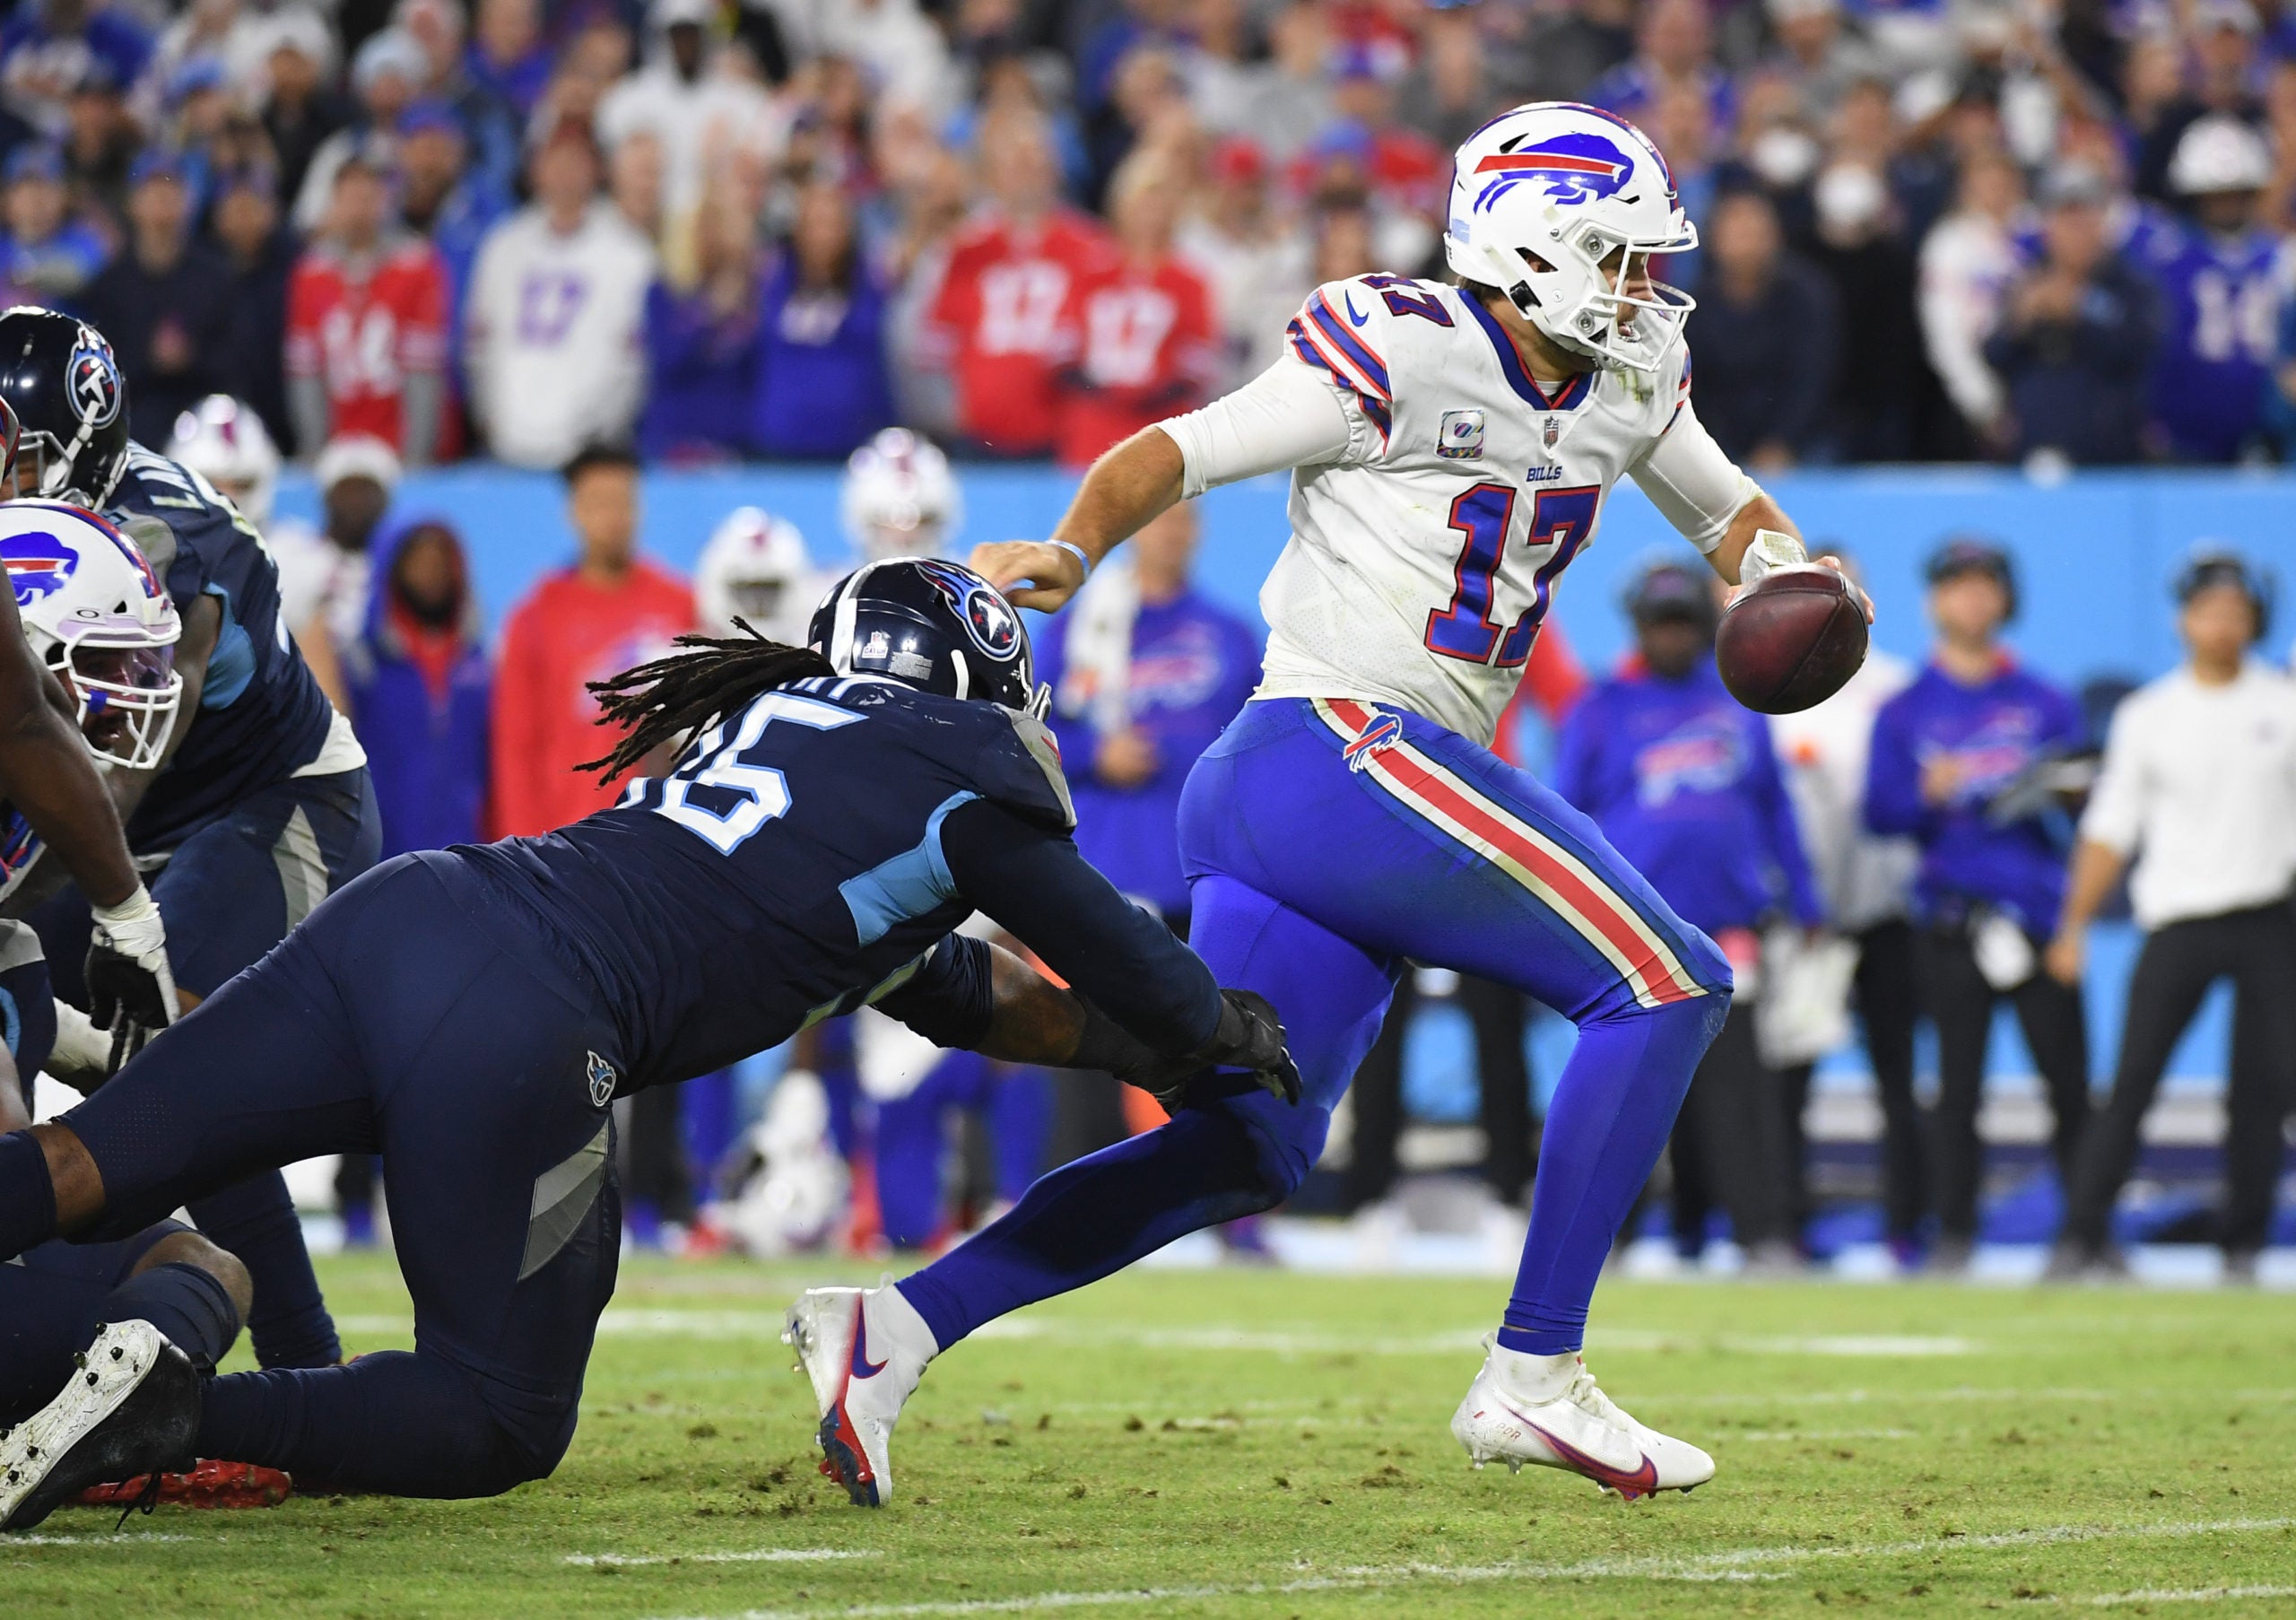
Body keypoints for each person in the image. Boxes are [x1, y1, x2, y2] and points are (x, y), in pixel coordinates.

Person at [821, 100, 1866, 1508]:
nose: (1641, 288)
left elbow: (1732, 515)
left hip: (1311, 795)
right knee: (1666, 978)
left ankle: (888, 1332)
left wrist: (1798, 572)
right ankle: (1535, 1372)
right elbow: (1172, 452)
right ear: (1534, 246)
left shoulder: (1632, 374)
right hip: (1337, 749)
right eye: (1616, 257)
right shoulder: (1402, 343)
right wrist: (1074, 550)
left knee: (1245, 1138)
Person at [0, 558, 1297, 1527]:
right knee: (495, 1414)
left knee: (71, 1161)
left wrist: (1140, 1056)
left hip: (409, 913)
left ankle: (88, 1394)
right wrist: (1210, 1030)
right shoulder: (954, 775)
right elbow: (1124, 957)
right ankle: (172, 1414)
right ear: (975, 686)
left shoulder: (772, 740)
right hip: (525, 1020)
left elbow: (960, 987)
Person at [2, 306, 373, 1378]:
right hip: (116, 827)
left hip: (263, 804)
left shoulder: (161, 539)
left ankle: (307, 1368)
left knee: (179, 1048)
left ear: (74, 438)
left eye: (8, 447)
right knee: (61, 1022)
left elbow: (114, 778)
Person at [0, 499, 283, 1512]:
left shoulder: (17, 933)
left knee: (171, 1230)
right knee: (197, 1264)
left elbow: (69, 1038)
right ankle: (96, 1415)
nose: (125, 723)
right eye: (110, 686)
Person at [1556, 559, 1821, 1269]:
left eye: (1684, 623)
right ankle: (1600, 1242)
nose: (1673, 635)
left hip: (1727, 927)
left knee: (1740, 1094)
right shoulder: (1600, 706)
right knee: (1624, 1091)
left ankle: (1761, 1233)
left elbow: (1774, 806)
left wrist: (1805, 896)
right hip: (1631, 933)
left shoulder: (1738, 701)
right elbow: (1563, 816)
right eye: (1660, 622)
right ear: (1639, 626)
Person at [2048, 553, 2296, 1282]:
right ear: (2185, 620)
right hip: (2177, 920)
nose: (2221, 624)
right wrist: (2073, 925)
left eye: (2235, 612)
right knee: (2131, 1085)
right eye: (2209, 610)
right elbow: (2110, 829)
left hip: (2268, 918)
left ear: (2253, 622)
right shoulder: (2149, 714)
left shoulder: (2281, 705)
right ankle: (2080, 1237)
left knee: (2262, 1090)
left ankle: (2243, 1247)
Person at [1866, 537, 2090, 1272]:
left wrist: (2062, 789)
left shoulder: (2043, 700)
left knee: (2068, 1084)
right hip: (1951, 921)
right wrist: (1924, 795)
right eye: (1957, 586)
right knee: (1957, 1090)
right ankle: (1953, 1236)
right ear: (1935, 602)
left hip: (2033, 917)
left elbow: (2089, 796)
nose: (1972, 599)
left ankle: (2087, 1238)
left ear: (2005, 598)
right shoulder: (1905, 709)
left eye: (1985, 584)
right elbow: (1878, 811)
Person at [1767, 550, 1922, 1264]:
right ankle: (1786, 1224)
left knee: (1897, 1073)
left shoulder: (1897, 688)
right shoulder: (1761, 682)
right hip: (1802, 920)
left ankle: (1906, 1226)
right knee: (1788, 1075)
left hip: (1885, 910)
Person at [491, 446, 692, 838]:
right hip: (570, 838)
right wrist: (521, 850)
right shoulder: (535, 616)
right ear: (573, 511)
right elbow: (515, 750)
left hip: (663, 839)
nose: (614, 517)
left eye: (624, 501)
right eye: (599, 503)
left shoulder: (680, 603)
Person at [463, 125, 656, 470]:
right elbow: (479, 344)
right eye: (556, 160)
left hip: (590, 447)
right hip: (509, 440)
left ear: (597, 170)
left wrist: (601, 430)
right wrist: (488, 416)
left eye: (576, 162)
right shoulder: (504, 246)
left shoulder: (629, 254)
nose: (565, 173)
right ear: (536, 168)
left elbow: (634, 358)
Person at [926, 109, 1112, 457]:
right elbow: (937, 347)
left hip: (1064, 436)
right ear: (993, 175)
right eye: (1015, 164)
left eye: (1035, 162)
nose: (1026, 175)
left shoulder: (1091, 248)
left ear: (1054, 169)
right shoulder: (966, 250)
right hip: (980, 434)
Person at [2127, 118, 2288, 464]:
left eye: (2236, 194)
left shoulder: (2282, 259)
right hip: (2186, 434)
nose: (2226, 205)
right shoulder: (2167, 260)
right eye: (2216, 196)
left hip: (2271, 430)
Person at [284, 141, 450, 467]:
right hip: (336, 448)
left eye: (369, 197)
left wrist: (415, 456)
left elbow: (423, 372)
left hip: (396, 446)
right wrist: (317, 452)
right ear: (334, 202)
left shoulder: (416, 266)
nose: (359, 208)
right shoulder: (311, 273)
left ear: (385, 200)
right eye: (350, 197)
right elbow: (306, 373)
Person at [1984, 165, 2159, 467]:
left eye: (2084, 220)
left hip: (2109, 462)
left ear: (2102, 224)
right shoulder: (2026, 280)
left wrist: (2080, 307)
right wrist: (2019, 322)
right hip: (2033, 458)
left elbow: (2139, 348)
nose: (2075, 231)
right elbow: (1993, 354)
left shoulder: (2131, 284)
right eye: (2065, 219)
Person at [1053, 152, 1219, 469]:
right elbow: (1063, 354)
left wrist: (1146, 395)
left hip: (1161, 427)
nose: (1151, 214)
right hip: (1092, 428)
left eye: (1160, 202)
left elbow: (1198, 364)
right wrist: (1105, 391)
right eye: (1144, 200)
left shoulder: (1189, 280)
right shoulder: (1090, 272)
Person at [76, 149, 235, 447]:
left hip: (204, 419)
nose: (162, 199)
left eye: (171, 189)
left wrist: (190, 358)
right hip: (133, 424)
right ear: (132, 202)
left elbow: (238, 362)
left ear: (189, 200)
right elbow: (94, 374)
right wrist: (149, 359)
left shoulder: (216, 278)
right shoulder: (110, 285)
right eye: (152, 190)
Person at [1686, 186, 1840, 470]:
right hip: (1717, 445)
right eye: (1737, 234)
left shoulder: (1807, 295)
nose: (1747, 244)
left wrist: (1781, 443)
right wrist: (1715, 448)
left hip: (1802, 443)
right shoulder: (1694, 305)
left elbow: (1810, 378)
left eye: (1756, 233)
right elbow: (1694, 387)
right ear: (1714, 240)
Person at [752, 181, 896, 460]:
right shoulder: (773, 281)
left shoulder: (869, 282)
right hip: (781, 444)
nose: (823, 236)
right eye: (815, 224)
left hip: (851, 445)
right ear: (798, 231)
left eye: (832, 224)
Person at [841, 427, 961, 561]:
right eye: (888, 524)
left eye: (922, 522)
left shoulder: (971, 579)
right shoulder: (828, 580)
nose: (905, 539)